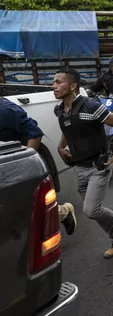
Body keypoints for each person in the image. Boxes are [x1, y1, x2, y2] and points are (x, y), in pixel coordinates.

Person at [53, 68, 113, 258]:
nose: (54, 86)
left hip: (99, 166)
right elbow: (70, 129)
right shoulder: (60, 110)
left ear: (72, 86)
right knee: (94, 212)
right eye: (54, 82)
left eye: (58, 82)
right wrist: (61, 147)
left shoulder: (91, 105)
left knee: (90, 210)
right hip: (79, 167)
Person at [0, 98, 78, 235]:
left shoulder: (5, 110)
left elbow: (35, 134)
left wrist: (23, 163)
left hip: (26, 158)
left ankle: (63, 212)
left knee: (27, 205)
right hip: (6, 161)